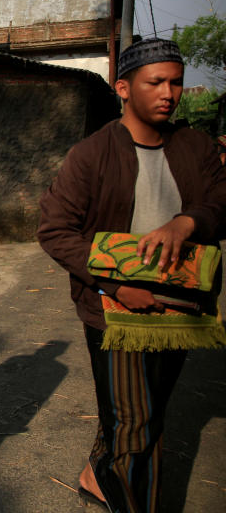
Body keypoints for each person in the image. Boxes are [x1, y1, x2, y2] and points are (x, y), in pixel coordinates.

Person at [38, 38, 226, 513]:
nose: (169, 93)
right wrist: (116, 286)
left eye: (176, 82)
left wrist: (189, 221)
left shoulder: (196, 147)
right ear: (124, 88)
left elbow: (222, 204)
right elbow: (56, 230)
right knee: (134, 423)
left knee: (143, 412)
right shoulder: (92, 155)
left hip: (181, 307)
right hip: (115, 311)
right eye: (155, 82)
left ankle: (96, 475)